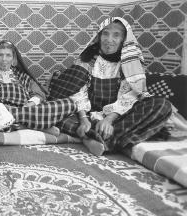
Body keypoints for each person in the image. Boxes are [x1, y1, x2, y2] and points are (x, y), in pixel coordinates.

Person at [50, 17, 172, 156]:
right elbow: (78, 92)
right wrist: (84, 120)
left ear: (123, 40)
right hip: (87, 115)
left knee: (162, 105)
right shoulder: (87, 59)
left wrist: (108, 120)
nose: (109, 39)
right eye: (105, 33)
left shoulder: (129, 62)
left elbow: (130, 96)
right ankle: (104, 137)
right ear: (99, 36)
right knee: (56, 111)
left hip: (117, 116)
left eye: (116, 35)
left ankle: (95, 138)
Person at [0, 40, 77, 134]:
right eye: (0, 55)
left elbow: (39, 94)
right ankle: (34, 125)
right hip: (4, 112)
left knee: (70, 103)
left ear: (14, 59)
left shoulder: (22, 76)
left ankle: (22, 123)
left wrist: (30, 104)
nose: (4, 59)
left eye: (8, 55)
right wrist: (6, 108)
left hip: (27, 109)